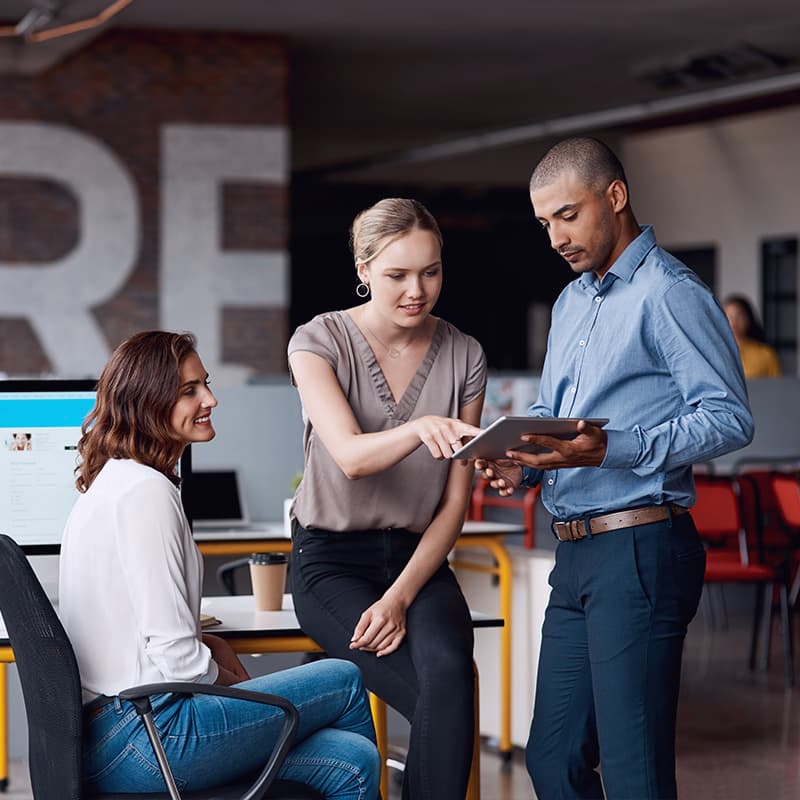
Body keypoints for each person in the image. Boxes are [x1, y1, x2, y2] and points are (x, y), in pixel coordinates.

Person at [478, 138, 754, 800]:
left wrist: (611, 448)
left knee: (634, 771)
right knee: (552, 759)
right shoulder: (574, 301)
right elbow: (554, 413)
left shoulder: (669, 293)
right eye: (545, 223)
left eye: (567, 216)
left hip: (641, 547)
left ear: (615, 197)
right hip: (576, 553)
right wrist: (524, 464)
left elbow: (729, 419)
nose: (555, 237)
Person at [58, 331, 380, 798]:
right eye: (190, 390)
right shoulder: (145, 493)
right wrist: (240, 688)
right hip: (151, 734)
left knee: (352, 761)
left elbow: (140, 634)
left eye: (205, 384)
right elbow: (179, 662)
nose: (210, 398)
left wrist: (212, 647)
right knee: (346, 678)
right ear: (148, 401)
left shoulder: (116, 483)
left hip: (114, 736)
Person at [287, 198, 486, 799]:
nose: (417, 290)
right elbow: (349, 456)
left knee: (451, 677)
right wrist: (419, 428)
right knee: (437, 696)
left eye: (430, 271)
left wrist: (400, 597)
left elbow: (454, 504)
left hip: (417, 563)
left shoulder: (465, 354)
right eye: (397, 274)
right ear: (364, 268)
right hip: (330, 561)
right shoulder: (318, 341)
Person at [723, 294, 782, 377]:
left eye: (739, 315)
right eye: (729, 316)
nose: (734, 321)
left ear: (748, 317)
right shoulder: (717, 351)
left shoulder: (765, 353)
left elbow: (776, 386)